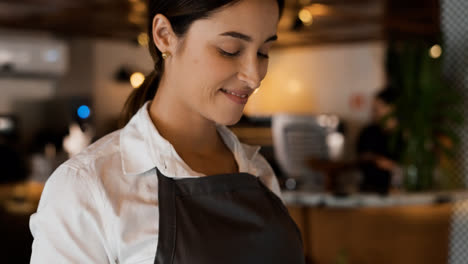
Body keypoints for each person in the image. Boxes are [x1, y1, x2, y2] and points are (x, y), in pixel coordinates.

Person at [29, 0, 306, 263]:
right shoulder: (85, 187)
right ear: (164, 35)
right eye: (230, 49)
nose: (254, 75)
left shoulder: (258, 171)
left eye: (263, 52)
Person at [357, 87, 403, 195]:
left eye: (379, 106)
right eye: (374, 107)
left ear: (393, 107)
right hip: (372, 191)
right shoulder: (369, 132)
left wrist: (394, 167)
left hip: (401, 191)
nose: (374, 110)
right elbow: (363, 159)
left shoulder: (405, 134)